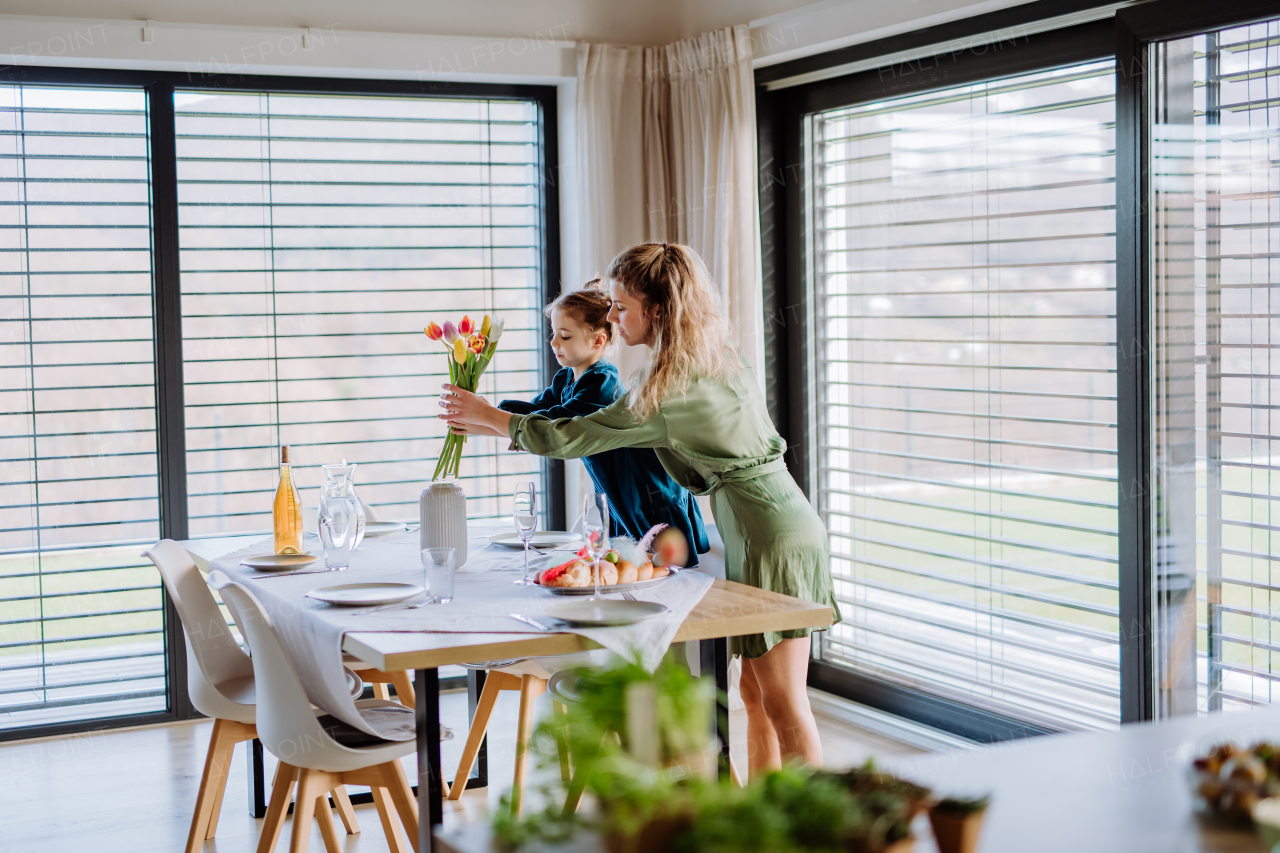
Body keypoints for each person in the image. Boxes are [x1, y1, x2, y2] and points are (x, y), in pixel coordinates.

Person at [441, 243, 840, 773]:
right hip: (765, 524)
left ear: (656, 310)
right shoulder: (711, 356)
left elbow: (577, 435)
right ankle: (756, 817)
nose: (610, 316)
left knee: (784, 702)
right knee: (754, 693)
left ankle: (808, 833)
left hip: (770, 531)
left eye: (620, 306)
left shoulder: (669, 387)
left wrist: (492, 417)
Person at [497, 279, 708, 565]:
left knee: (660, 572)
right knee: (625, 567)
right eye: (553, 334)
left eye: (565, 336)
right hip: (616, 492)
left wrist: (497, 417)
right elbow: (538, 409)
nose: (554, 342)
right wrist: (496, 411)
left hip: (643, 493)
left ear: (598, 340)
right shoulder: (565, 377)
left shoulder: (601, 383)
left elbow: (555, 421)